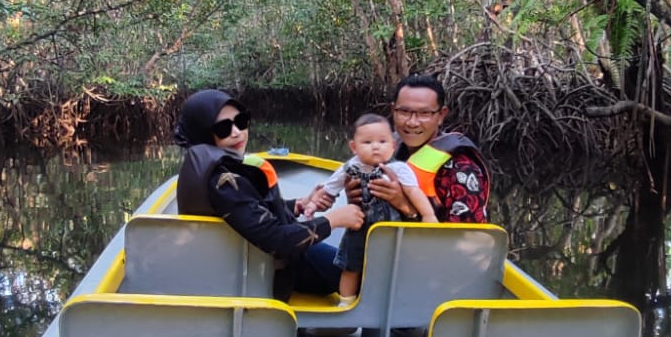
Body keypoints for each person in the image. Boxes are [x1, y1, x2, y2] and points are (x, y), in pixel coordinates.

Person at [174, 89, 363, 302]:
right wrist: (335, 220)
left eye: (241, 121)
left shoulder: (211, 169)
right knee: (360, 274)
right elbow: (276, 240)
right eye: (223, 128)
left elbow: (250, 211)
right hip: (262, 272)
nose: (237, 132)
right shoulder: (222, 181)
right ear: (203, 133)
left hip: (243, 264)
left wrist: (300, 205)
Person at [311, 74, 489, 224]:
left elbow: (464, 244)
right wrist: (354, 198)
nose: (412, 122)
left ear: (441, 115)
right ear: (392, 111)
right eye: (404, 112)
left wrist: (404, 206)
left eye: (424, 113)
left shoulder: (462, 170)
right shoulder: (382, 150)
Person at [300, 113, 438, 301]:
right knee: (350, 267)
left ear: (393, 146)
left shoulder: (398, 169)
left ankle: (386, 305)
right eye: (367, 142)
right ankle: (345, 303)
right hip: (358, 228)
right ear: (354, 147)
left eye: (382, 142)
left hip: (389, 229)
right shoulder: (349, 168)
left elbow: (414, 192)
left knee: (388, 269)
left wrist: (428, 214)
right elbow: (329, 189)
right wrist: (313, 204)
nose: (375, 146)